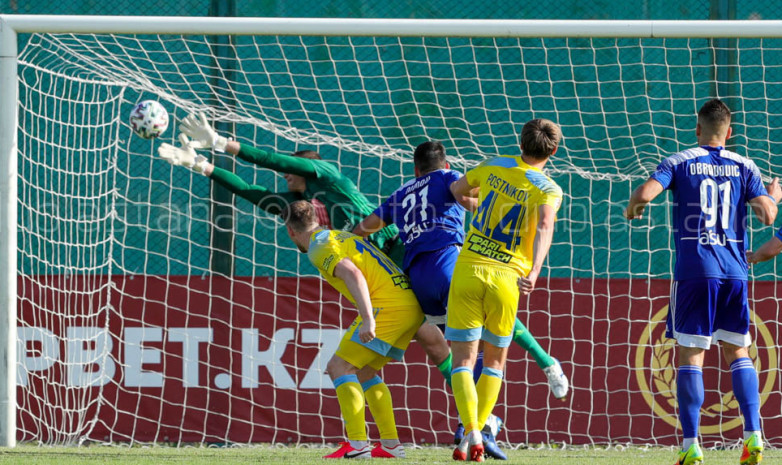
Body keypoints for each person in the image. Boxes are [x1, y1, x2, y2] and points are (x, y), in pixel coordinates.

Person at [353, 140, 570, 459]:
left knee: (446, 346)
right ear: (444, 164)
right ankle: (538, 369)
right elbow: (467, 196)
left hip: (416, 281)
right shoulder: (447, 177)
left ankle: (469, 424)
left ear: (415, 169)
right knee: (485, 339)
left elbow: (364, 229)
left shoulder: (399, 195)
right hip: (450, 264)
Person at [624, 98, 781, 465]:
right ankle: (753, 435)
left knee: (690, 355)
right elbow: (767, 217)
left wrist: (634, 208)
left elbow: (645, 194)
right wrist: (772, 195)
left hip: (695, 272)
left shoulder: (679, 161)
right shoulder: (745, 165)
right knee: (737, 351)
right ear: (729, 133)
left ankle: (691, 444)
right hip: (735, 272)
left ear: (697, 129)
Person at [445, 119, 563, 461]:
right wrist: (536, 269)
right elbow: (544, 224)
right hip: (507, 279)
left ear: (520, 142)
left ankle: (470, 431)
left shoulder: (494, 164)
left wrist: (478, 208)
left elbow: (457, 191)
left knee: (463, 361)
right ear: (553, 151)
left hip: (467, 269)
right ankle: (476, 434)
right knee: (495, 361)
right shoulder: (549, 189)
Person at [276, 199, 422, 458]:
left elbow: (353, 274)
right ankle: (391, 445)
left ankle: (357, 444)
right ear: (318, 218)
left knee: (338, 367)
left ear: (290, 231)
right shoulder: (341, 236)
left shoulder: (319, 247)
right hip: (409, 304)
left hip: (387, 307)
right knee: (365, 372)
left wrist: (368, 319)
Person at [173, 112, 405, 264]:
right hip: (376, 264)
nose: (285, 174)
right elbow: (251, 191)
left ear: (304, 167)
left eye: (291, 170)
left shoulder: (329, 175)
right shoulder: (304, 202)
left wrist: (220, 143)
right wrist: (202, 166)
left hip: (398, 247)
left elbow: (273, 160)